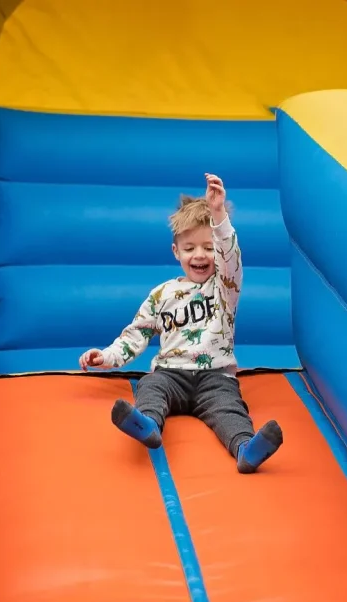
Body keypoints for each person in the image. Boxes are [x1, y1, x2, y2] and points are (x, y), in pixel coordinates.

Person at [79, 173, 283, 473]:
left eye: (208, 247)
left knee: (229, 408)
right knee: (151, 387)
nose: (199, 255)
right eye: (190, 248)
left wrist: (218, 214)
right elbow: (137, 334)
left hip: (215, 378)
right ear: (177, 252)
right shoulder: (163, 294)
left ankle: (245, 448)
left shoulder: (225, 287)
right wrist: (107, 356)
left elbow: (230, 254)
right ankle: (146, 424)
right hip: (170, 374)